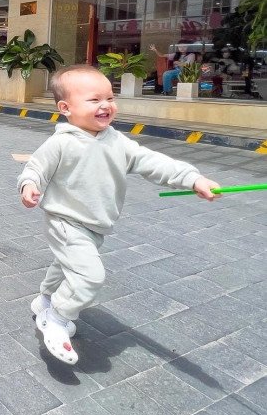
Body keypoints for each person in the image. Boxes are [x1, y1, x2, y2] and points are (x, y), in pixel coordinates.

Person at [18, 64, 219, 366]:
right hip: (65, 221)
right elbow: (35, 168)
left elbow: (153, 162)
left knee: (65, 266)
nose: (106, 105)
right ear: (65, 108)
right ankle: (57, 318)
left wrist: (193, 179)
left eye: (110, 98)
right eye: (94, 99)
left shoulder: (117, 141)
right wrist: (30, 185)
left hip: (96, 225)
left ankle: (45, 300)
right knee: (89, 275)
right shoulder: (61, 143)